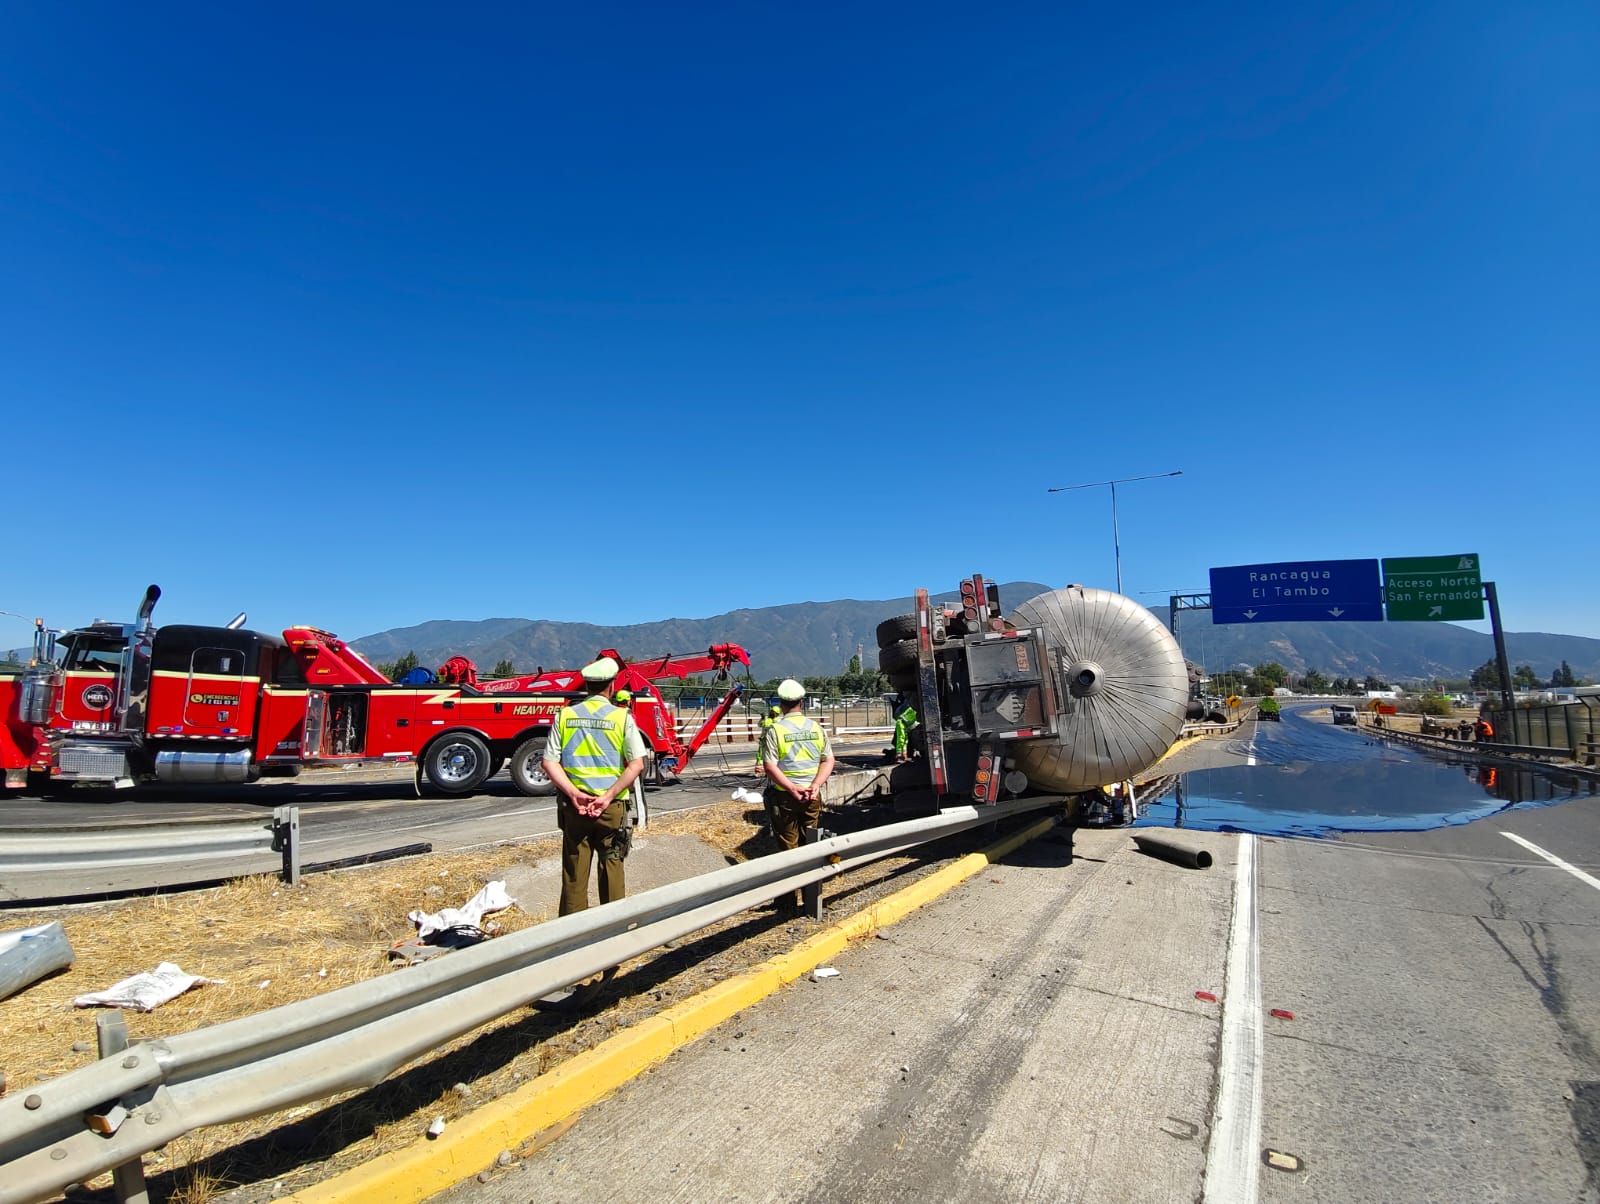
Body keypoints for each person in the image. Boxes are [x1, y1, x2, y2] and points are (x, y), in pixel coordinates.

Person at [541, 656, 647, 916]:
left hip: (574, 808)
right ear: (612, 686)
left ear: (586, 685)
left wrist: (574, 793)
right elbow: (637, 765)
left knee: (574, 873)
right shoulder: (622, 718)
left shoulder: (565, 716)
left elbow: (549, 762)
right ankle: (612, 928)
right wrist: (607, 797)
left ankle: (572, 931)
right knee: (612, 868)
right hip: (611, 808)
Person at [761, 679, 836, 857]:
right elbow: (828, 760)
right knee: (811, 839)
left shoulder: (776, 730)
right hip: (812, 794)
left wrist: (792, 788)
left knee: (788, 844)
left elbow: (769, 767)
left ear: (781, 704)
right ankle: (811, 872)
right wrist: (815, 785)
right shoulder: (817, 728)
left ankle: (794, 873)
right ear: (801, 703)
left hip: (785, 796)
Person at [892, 696, 920, 762]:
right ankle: (899, 754)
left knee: (905, 740)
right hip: (901, 723)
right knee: (901, 738)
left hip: (906, 725)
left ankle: (904, 755)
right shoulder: (913, 709)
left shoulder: (914, 710)